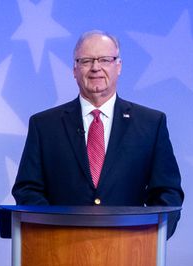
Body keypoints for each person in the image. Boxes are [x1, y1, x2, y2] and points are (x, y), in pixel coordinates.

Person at [12, 30, 183, 237]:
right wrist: (52, 231)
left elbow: (168, 193)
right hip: (59, 251)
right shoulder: (44, 125)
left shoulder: (151, 124)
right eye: (86, 61)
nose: (96, 68)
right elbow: (27, 190)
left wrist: (149, 236)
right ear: (74, 69)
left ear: (118, 66)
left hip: (130, 252)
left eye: (104, 59)